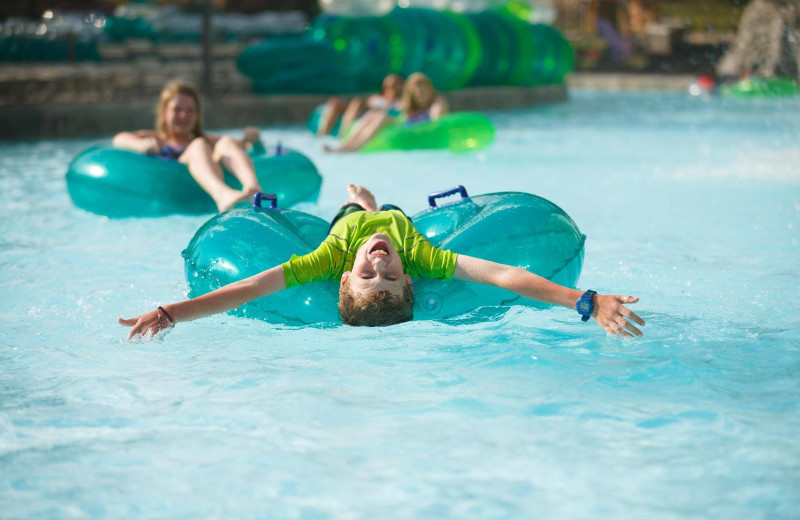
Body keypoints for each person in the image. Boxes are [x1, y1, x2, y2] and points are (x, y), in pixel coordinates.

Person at [119, 184, 645, 339]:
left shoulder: (329, 258)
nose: (379, 261)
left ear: (345, 277)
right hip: (400, 217)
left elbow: (252, 287)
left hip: (341, 222)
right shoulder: (418, 253)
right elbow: (503, 274)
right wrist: (586, 300)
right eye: (390, 275)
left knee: (354, 210)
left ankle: (360, 203)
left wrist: (171, 312)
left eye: (370, 275)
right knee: (385, 212)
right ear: (408, 276)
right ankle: (374, 204)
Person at [112, 80, 264, 213]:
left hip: (207, 176)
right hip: (178, 185)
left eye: (190, 110)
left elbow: (243, 145)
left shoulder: (205, 139)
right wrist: (138, 144)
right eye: (177, 109)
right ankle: (222, 195)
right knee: (198, 145)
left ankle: (253, 189)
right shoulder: (157, 139)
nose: (184, 115)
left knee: (225, 142)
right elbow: (119, 139)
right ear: (164, 112)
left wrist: (254, 141)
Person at [323, 73, 449, 153]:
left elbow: (436, 123)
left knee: (382, 116)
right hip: (407, 126)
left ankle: (353, 148)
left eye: (424, 91)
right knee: (374, 114)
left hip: (416, 130)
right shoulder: (412, 106)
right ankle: (346, 144)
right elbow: (402, 113)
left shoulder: (436, 103)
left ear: (431, 89)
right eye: (417, 93)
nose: (421, 95)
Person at [317, 74, 405, 137]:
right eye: (387, 86)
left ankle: (343, 135)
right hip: (361, 113)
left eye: (394, 85)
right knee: (335, 103)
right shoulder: (377, 97)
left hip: (373, 115)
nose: (390, 89)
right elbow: (368, 103)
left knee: (358, 102)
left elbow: (400, 113)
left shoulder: (401, 101)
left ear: (401, 87)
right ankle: (321, 134)